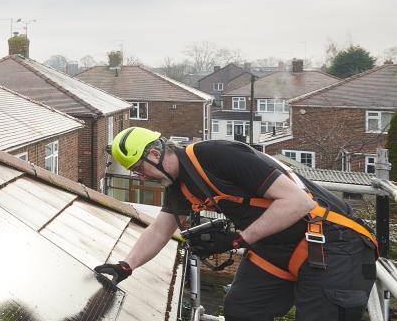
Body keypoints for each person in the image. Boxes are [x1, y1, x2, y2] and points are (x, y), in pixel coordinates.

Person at [93, 127, 377, 320]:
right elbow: (160, 229)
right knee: (242, 310)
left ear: (154, 154)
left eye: (139, 169)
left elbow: (298, 203)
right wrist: (124, 267)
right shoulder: (177, 185)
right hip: (276, 248)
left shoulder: (216, 155)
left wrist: (238, 240)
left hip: (333, 244)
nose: (141, 178)